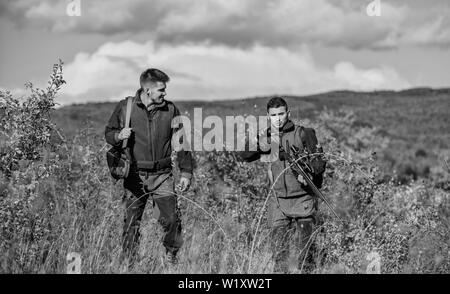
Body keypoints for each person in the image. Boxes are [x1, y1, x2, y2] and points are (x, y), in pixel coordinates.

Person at [105, 68, 193, 266]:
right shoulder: (125, 107)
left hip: (162, 176)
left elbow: (181, 143)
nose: (164, 94)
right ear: (147, 91)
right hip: (134, 176)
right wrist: (118, 136)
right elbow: (109, 133)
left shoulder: (170, 110)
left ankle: (171, 258)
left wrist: (186, 172)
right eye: (161, 90)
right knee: (131, 224)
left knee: (171, 221)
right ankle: (130, 264)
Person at [238, 97, 326, 273]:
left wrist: (308, 171)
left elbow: (320, 164)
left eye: (281, 114)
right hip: (278, 201)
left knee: (305, 254)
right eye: (273, 115)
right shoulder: (267, 136)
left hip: (303, 199)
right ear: (268, 116)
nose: (277, 118)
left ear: (288, 113)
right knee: (279, 255)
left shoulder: (304, 133)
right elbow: (245, 155)